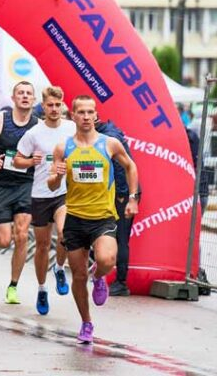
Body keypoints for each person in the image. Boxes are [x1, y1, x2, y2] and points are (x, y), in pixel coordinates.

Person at [49, 95, 139, 344]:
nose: (87, 117)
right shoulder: (62, 147)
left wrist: (133, 198)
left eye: (91, 112)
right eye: (82, 113)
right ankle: (86, 322)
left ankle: (99, 276)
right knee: (77, 276)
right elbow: (52, 182)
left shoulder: (110, 143)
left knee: (106, 259)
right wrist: (56, 176)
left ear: (96, 116)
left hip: (103, 217)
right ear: (73, 116)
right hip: (75, 218)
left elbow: (131, 166)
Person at [0, 81, 39, 306]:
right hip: (1, 185)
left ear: (33, 100)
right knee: (3, 241)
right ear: (13, 98)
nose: (24, 96)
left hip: (26, 184)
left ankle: (13, 285)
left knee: (22, 234)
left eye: (28, 93)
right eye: (20, 92)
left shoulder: (38, 125)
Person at [13, 86, 75, 314]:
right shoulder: (34, 133)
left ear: (63, 105)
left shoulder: (71, 128)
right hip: (40, 194)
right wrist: (30, 162)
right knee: (41, 246)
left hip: (64, 192)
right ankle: (41, 288)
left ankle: (59, 267)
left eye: (58, 105)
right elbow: (17, 160)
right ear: (43, 106)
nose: (54, 109)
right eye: (50, 105)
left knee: (65, 234)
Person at [95, 116, 138, 297]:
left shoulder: (109, 136)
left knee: (120, 238)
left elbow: (123, 168)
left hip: (121, 193)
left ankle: (121, 282)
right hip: (113, 193)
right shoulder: (103, 133)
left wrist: (125, 196)